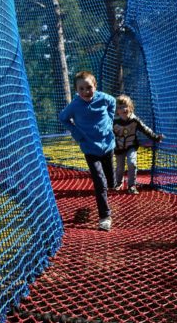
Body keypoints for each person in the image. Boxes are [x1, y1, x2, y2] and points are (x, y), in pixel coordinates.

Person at [59, 71, 117, 231]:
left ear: (95, 86)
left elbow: (113, 102)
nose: (86, 91)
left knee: (110, 178)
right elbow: (63, 118)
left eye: (89, 87)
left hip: (107, 144)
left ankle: (113, 183)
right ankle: (105, 216)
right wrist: (77, 133)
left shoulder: (103, 98)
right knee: (99, 181)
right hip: (90, 148)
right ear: (76, 90)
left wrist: (110, 121)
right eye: (81, 88)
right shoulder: (75, 105)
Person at [113, 94, 163, 194]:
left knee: (132, 163)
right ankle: (118, 183)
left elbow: (145, 129)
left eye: (125, 106)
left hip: (131, 146)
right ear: (117, 110)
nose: (124, 109)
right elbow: (107, 132)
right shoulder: (114, 121)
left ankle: (131, 185)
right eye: (120, 107)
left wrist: (155, 137)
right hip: (119, 147)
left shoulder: (134, 120)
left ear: (130, 107)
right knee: (119, 167)